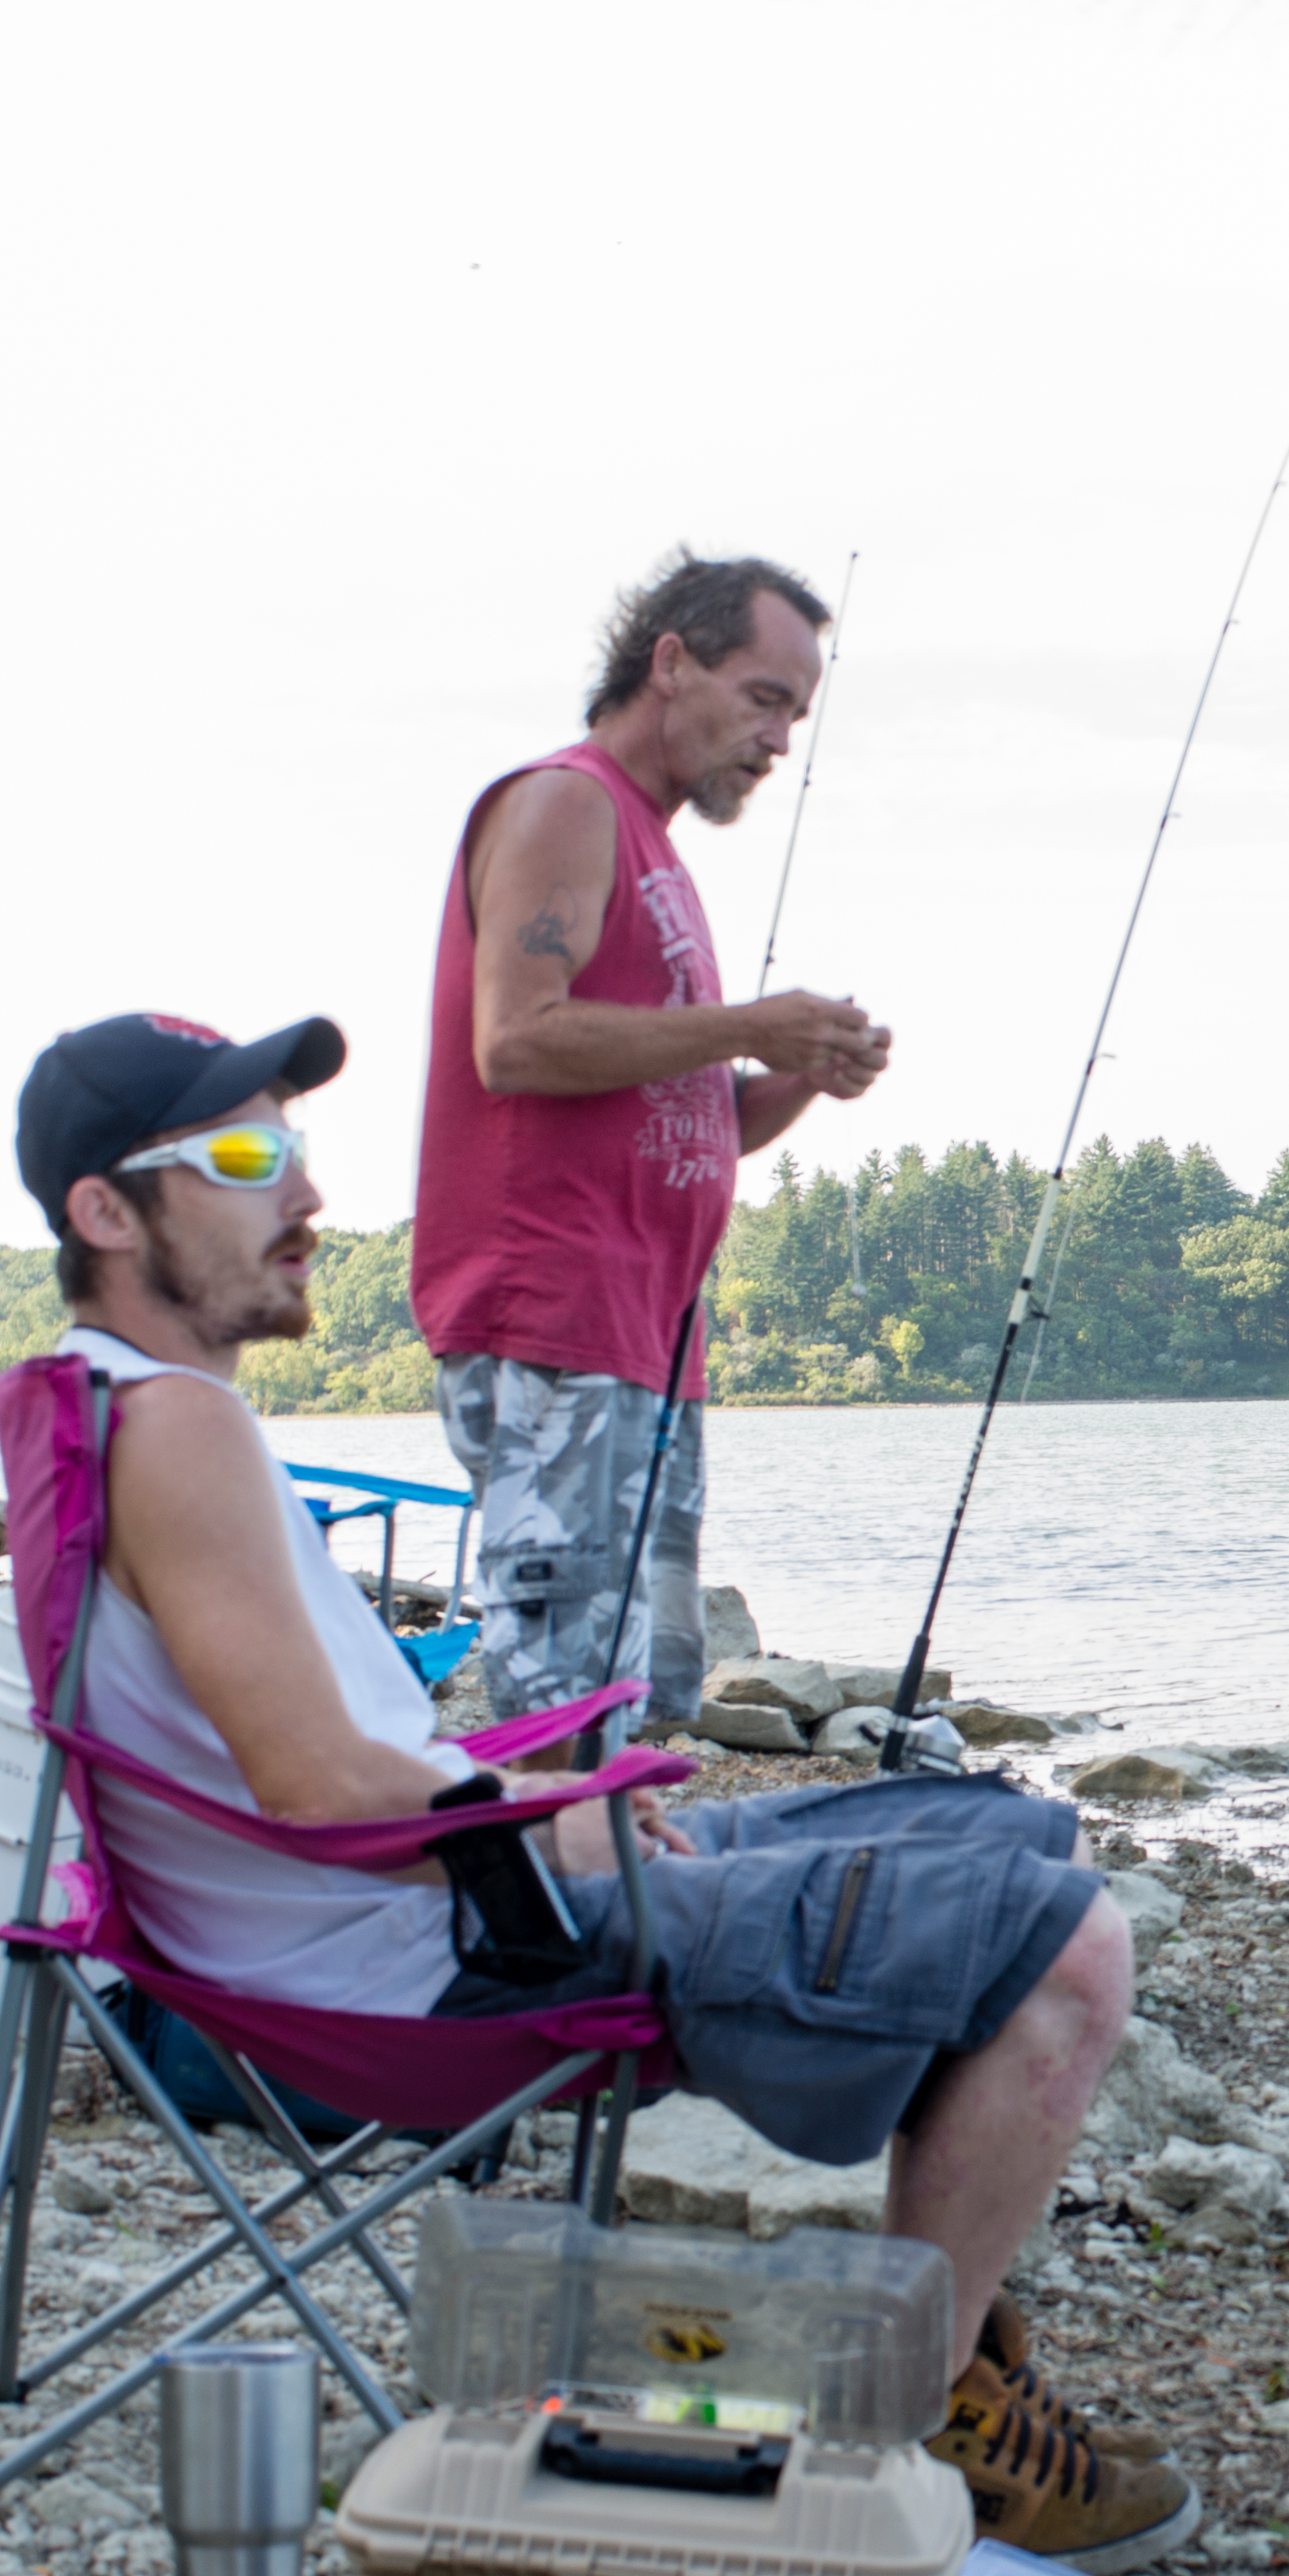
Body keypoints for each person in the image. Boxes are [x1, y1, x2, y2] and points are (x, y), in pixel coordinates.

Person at [23, 1006, 1195, 2575]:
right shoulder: (174, 1428)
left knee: (993, 1823)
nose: (302, 1194)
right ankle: (919, 2421)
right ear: (105, 1209)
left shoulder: (94, 1404)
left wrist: (530, 1792)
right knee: (1067, 1948)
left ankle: (957, 2350)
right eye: (241, 1156)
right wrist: (537, 1825)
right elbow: (308, 1787)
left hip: (417, 1905)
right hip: (430, 1964)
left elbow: (292, 1766)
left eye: (292, 1146)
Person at [414, 553, 893, 1732]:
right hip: (553, 1331)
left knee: (637, 1709)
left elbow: (690, 1120)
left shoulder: (654, 846)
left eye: (796, 714)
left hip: (648, 1344)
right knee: (562, 1714)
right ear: (671, 662)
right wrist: (747, 1022)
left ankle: (614, 1902)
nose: (780, 740)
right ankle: (545, 1911)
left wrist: (794, 1076)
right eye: (764, 697)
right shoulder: (568, 804)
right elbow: (515, 1043)